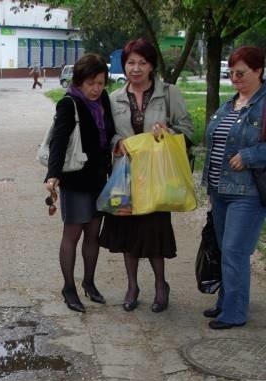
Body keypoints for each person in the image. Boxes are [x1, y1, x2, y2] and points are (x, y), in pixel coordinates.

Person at [99, 38, 193, 312]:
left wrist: (169, 133)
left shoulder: (169, 93)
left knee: (154, 234)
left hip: (158, 177)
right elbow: (107, 134)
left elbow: (187, 129)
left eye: (142, 63)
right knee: (128, 234)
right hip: (125, 176)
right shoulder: (114, 97)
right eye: (130, 63)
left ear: (152, 65)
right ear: (123, 65)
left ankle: (161, 285)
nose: (136, 68)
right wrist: (117, 143)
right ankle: (132, 286)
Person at [45, 53, 116, 312]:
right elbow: (59, 142)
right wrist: (52, 175)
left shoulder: (103, 99)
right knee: (72, 234)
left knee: (93, 234)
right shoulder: (68, 103)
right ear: (79, 82)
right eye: (91, 83)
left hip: (99, 178)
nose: (96, 89)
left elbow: (107, 134)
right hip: (75, 179)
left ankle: (89, 282)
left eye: (101, 83)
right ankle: (69, 287)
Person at [201, 45, 266, 329]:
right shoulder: (231, 103)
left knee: (235, 251)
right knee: (224, 250)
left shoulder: (263, 104)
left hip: (247, 193)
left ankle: (235, 312)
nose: (235, 78)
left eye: (241, 73)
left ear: (259, 70)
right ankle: (226, 302)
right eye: (231, 73)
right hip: (219, 189)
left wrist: (250, 156)